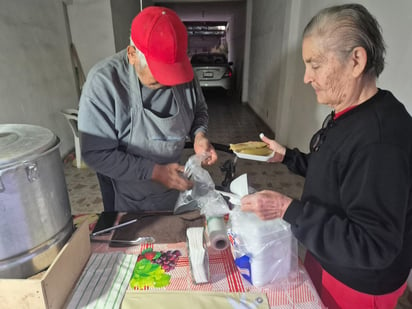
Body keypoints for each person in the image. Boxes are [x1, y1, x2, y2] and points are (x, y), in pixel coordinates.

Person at [240, 4, 412, 308]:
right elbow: (339, 172)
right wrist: (289, 158)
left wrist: (287, 208)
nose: (307, 77)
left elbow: (374, 245)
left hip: (358, 281)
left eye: (315, 64)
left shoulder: (380, 140)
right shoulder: (352, 113)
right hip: (328, 250)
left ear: (356, 60)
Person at [78, 6, 217, 213]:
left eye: (172, 79)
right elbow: (96, 153)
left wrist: (199, 134)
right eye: (157, 82)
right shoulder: (104, 82)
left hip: (172, 190)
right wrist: (155, 172)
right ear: (132, 54)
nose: (169, 85)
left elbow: (199, 109)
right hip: (127, 195)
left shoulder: (183, 73)